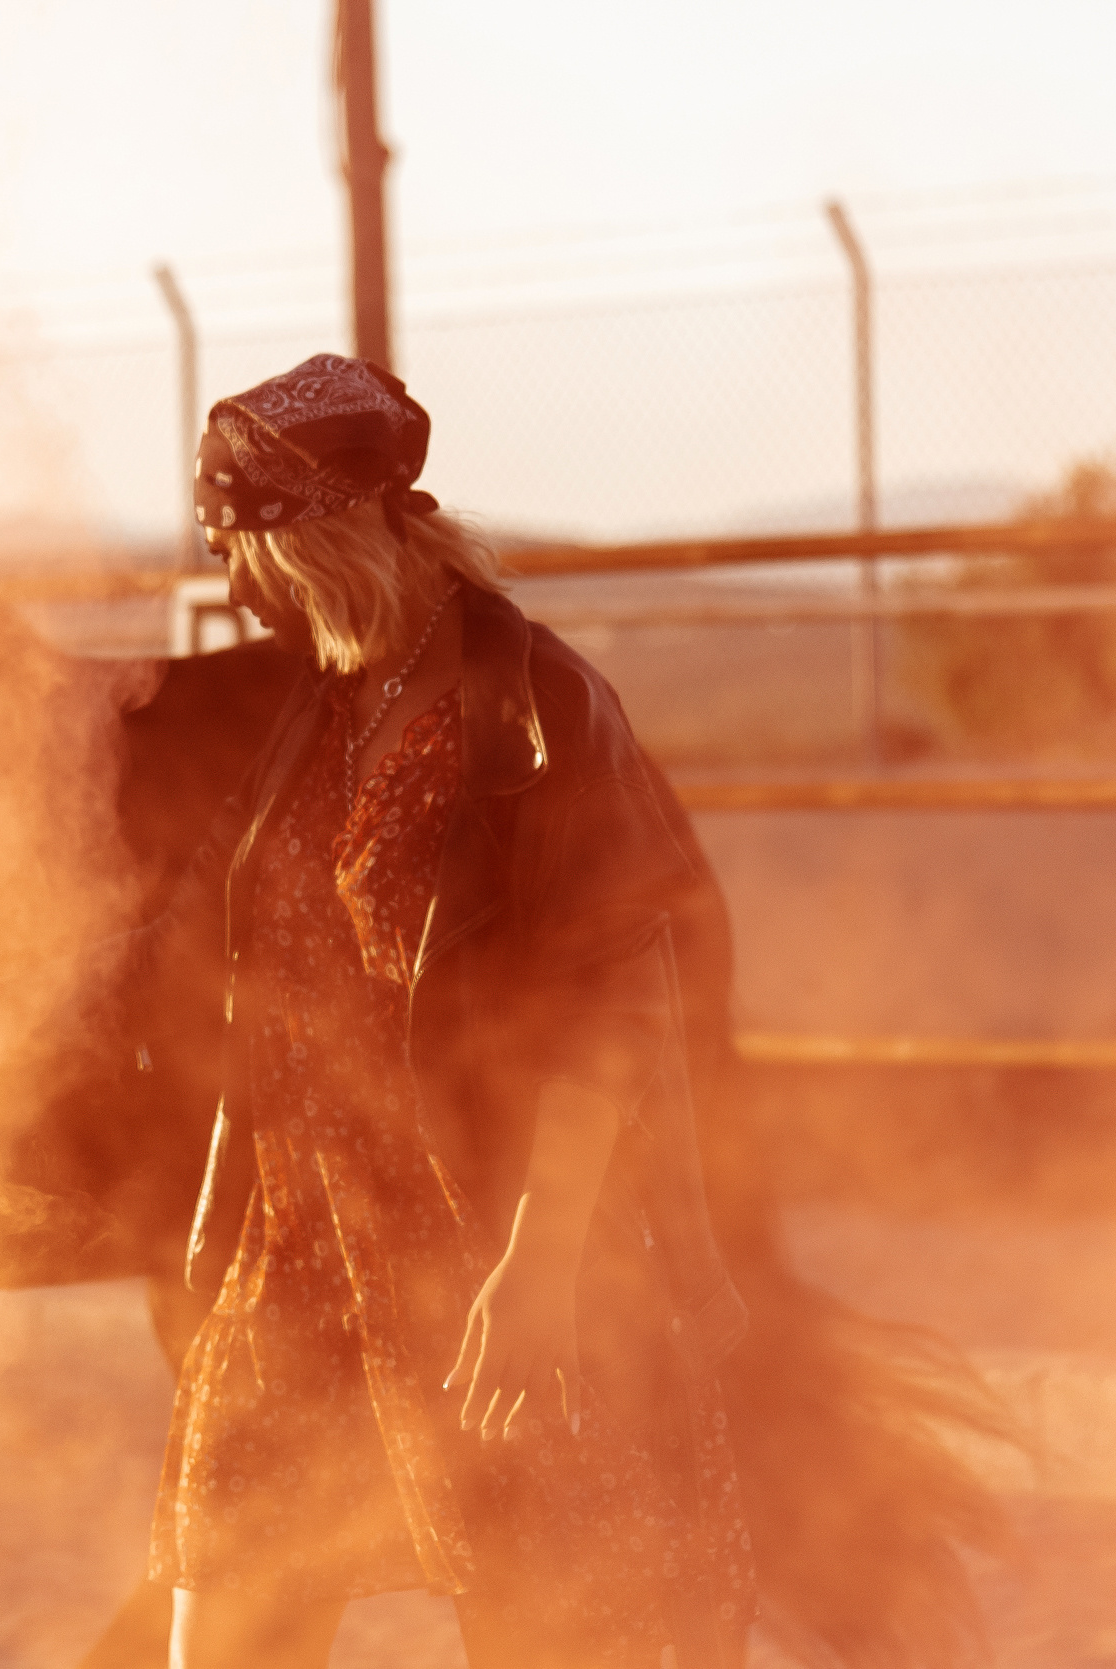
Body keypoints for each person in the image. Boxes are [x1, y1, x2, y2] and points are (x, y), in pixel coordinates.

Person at [138, 354, 757, 1669]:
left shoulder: (539, 707)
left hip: (487, 1241)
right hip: (303, 1255)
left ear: (321, 538)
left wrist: (538, 1266)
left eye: (238, 551)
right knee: (230, 1624)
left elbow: (612, 1004)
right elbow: (231, 941)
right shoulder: (316, 699)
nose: (230, 589)